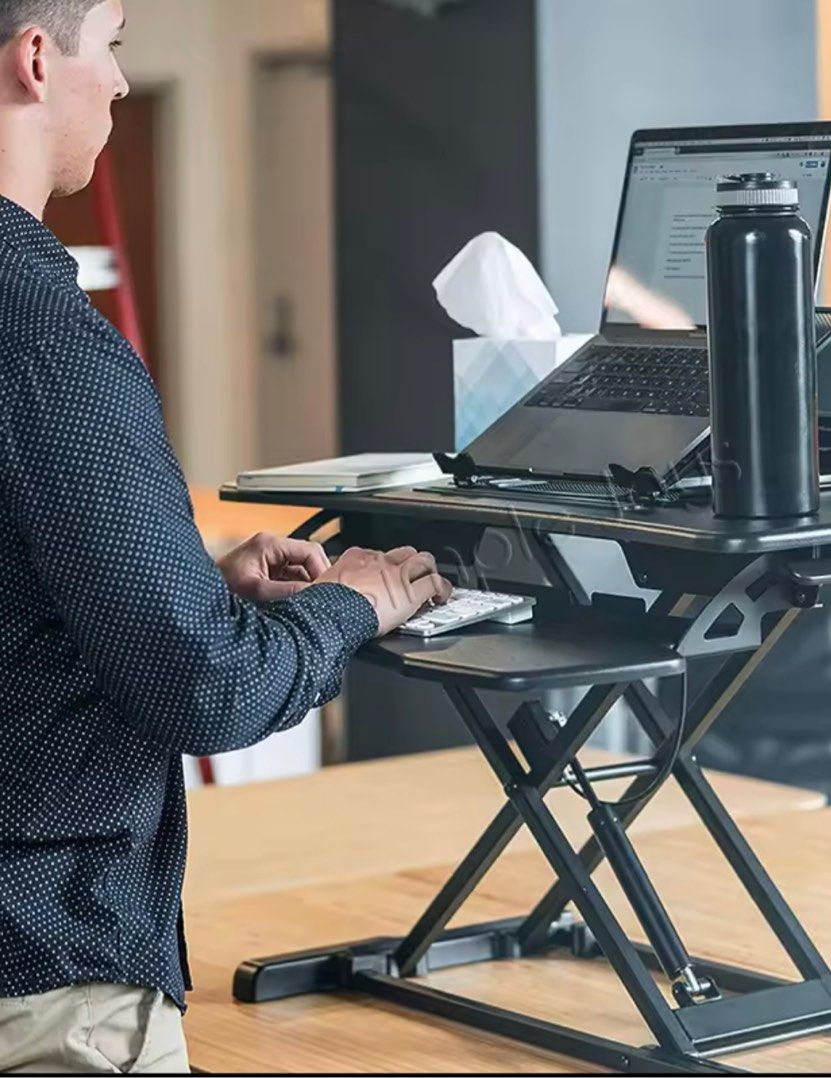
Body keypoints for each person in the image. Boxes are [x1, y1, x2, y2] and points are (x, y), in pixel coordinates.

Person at [0, 1, 451, 1072]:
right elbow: (203, 689)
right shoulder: (48, 347)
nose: (117, 81)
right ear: (32, 58)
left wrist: (187, 579)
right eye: (109, 43)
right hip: (45, 973)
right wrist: (356, 602)